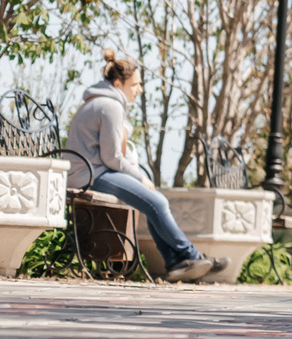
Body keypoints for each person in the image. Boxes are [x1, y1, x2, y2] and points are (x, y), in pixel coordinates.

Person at [64, 52, 225, 282]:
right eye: (136, 84)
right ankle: (191, 256)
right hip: (89, 175)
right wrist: (140, 177)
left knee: (152, 203)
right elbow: (112, 157)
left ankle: (176, 263)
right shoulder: (110, 106)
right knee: (157, 201)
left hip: (92, 171)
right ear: (118, 83)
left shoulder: (100, 102)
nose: (139, 89)